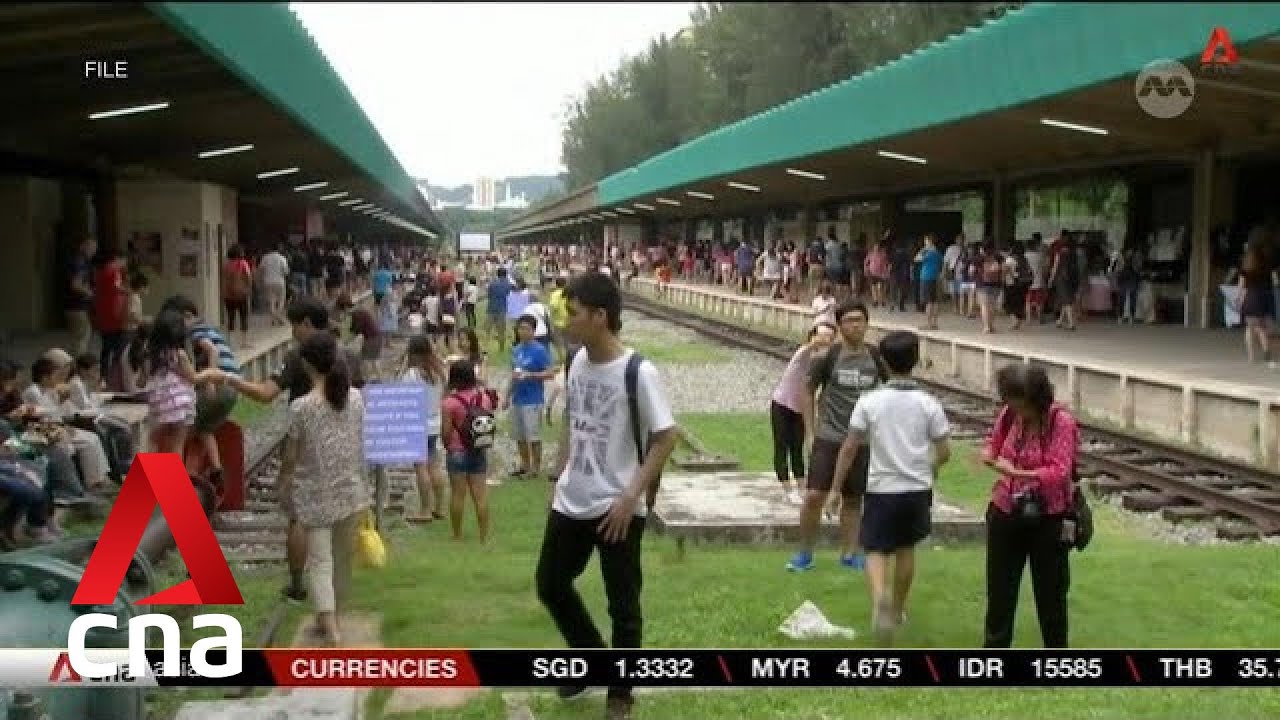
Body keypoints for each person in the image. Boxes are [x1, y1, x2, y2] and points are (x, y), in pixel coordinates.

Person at [536, 272, 678, 720]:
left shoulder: (639, 372)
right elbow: (572, 418)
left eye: (573, 314)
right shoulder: (577, 360)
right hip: (573, 496)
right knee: (551, 583)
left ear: (601, 317)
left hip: (617, 504)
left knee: (623, 604)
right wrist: (558, 475)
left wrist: (629, 496)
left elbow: (664, 437)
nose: (565, 321)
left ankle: (621, 694)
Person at [203, 297, 365, 604]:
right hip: (343, 445)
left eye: (293, 325)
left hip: (306, 442)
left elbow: (266, 394)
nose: (291, 332)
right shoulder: (346, 354)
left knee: (298, 518)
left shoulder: (298, 358)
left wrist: (228, 379)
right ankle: (336, 588)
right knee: (341, 516)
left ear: (305, 323)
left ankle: (298, 584)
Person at [829, 331, 950, 644]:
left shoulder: (869, 401)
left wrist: (835, 489)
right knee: (906, 548)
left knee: (875, 548)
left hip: (882, 486)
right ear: (917, 361)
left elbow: (849, 447)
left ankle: (879, 598)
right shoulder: (929, 403)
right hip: (917, 487)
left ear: (882, 361)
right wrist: (931, 468)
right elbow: (944, 451)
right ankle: (897, 608)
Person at [277, 330, 371, 646]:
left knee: (319, 560)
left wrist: (284, 484)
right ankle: (334, 617)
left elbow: (291, 456)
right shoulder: (355, 398)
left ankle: (328, 624)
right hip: (351, 488)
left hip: (314, 492)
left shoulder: (302, 407)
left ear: (307, 364)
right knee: (341, 558)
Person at [981, 364, 1080, 648]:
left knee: (1051, 590)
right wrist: (989, 456)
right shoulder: (1009, 415)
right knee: (1000, 588)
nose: (1015, 409)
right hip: (1006, 509)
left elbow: (1060, 471)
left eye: (1020, 403)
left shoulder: (1061, 422)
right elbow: (994, 443)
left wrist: (1018, 474)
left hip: (1048, 516)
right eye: (1010, 401)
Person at [787, 301, 887, 573]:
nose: (856, 325)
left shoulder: (876, 358)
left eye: (860, 320)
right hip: (829, 435)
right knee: (814, 496)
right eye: (849, 320)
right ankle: (805, 552)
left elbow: (890, 389)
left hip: (863, 440)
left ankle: (850, 552)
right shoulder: (827, 358)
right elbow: (807, 391)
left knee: (853, 498)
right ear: (840, 326)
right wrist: (810, 431)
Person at [164, 296, 241, 491]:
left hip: (219, 385)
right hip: (233, 388)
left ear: (187, 316)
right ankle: (216, 470)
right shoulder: (211, 328)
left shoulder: (196, 331)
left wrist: (211, 381)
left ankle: (185, 475)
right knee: (204, 428)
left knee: (184, 426)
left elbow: (212, 351)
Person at [769, 322, 836, 504]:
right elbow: (810, 347)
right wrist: (819, 341)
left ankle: (801, 485)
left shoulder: (825, 362)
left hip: (800, 408)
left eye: (830, 337)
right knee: (781, 445)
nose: (825, 340)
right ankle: (787, 487)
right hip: (782, 404)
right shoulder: (803, 353)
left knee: (797, 446)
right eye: (822, 335)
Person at [441, 358, 497, 541]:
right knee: (480, 495)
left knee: (458, 495)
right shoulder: (485, 398)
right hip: (478, 449)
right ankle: (484, 535)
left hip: (457, 450)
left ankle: (457, 534)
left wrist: (447, 446)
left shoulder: (450, 403)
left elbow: (446, 431)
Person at [141, 310, 201, 457]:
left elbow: (142, 381)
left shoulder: (150, 354)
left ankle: (153, 476)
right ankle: (172, 479)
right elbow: (192, 377)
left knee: (156, 441)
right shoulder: (179, 354)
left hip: (159, 404)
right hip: (181, 403)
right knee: (177, 444)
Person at [401, 335, 447, 523]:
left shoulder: (411, 375)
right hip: (434, 422)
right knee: (434, 464)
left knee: (421, 468)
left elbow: (404, 398)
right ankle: (439, 506)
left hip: (417, 424)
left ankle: (425, 509)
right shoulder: (438, 372)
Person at [504, 315, 554, 479]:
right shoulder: (516, 349)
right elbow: (513, 374)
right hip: (518, 398)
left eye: (527, 329)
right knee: (519, 436)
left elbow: (550, 373)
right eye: (521, 328)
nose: (523, 332)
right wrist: (506, 396)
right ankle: (524, 465)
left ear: (533, 331)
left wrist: (531, 375)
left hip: (533, 399)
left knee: (533, 436)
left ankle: (535, 468)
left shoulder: (539, 350)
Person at [221, 246, 253, 348]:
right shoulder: (242, 263)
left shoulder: (226, 265)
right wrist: (248, 288)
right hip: (241, 294)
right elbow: (248, 276)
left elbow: (224, 279)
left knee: (231, 317)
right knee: (243, 317)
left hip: (228, 295)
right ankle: (244, 342)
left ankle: (230, 342)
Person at [258, 244, 290, 326]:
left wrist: (260, 281)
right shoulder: (282, 258)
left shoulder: (265, 258)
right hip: (280, 282)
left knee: (271, 302)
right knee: (281, 301)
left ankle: (273, 319)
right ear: (279, 249)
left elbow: (261, 270)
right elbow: (286, 272)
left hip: (268, 282)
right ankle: (278, 317)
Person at [917, 235, 943, 330]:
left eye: (926, 241)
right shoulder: (938, 253)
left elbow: (917, 259)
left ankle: (928, 324)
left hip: (926, 278)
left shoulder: (927, 253)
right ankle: (935, 323)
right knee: (935, 301)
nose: (925, 243)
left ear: (929, 242)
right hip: (935, 278)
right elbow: (941, 265)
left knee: (928, 301)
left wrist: (923, 249)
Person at [485, 268, 513, 350]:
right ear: (506, 274)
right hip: (502, 309)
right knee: (501, 332)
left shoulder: (492, 283)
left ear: (497, 274)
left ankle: (485, 349)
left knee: (487, 330)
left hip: (491, 308)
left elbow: (489, 295)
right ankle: (501, 348)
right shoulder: (509, 285)